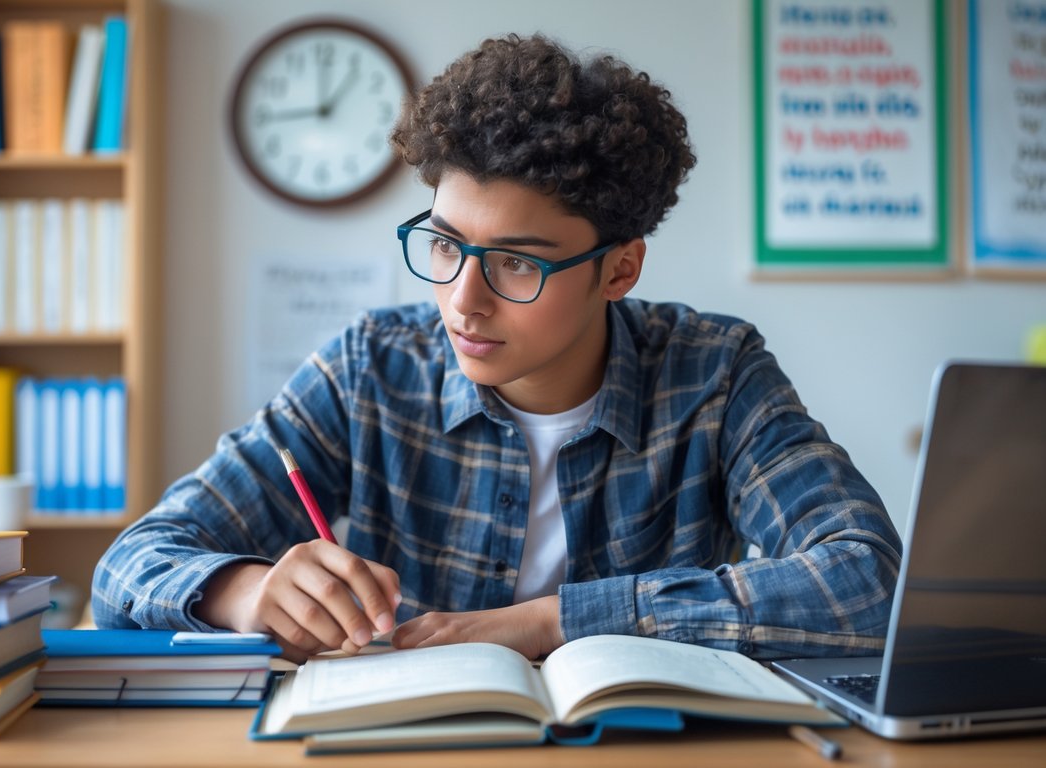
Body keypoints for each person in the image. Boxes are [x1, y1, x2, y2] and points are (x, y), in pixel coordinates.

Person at [92, 34, 902, 663]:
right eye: (444, 246)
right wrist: (245, 591)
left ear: (618, 268)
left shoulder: (712, 372)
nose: (461, 300)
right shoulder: (368, 370)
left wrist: (547, 623)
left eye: (517, 261)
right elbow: (127, 567)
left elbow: (868, 582)